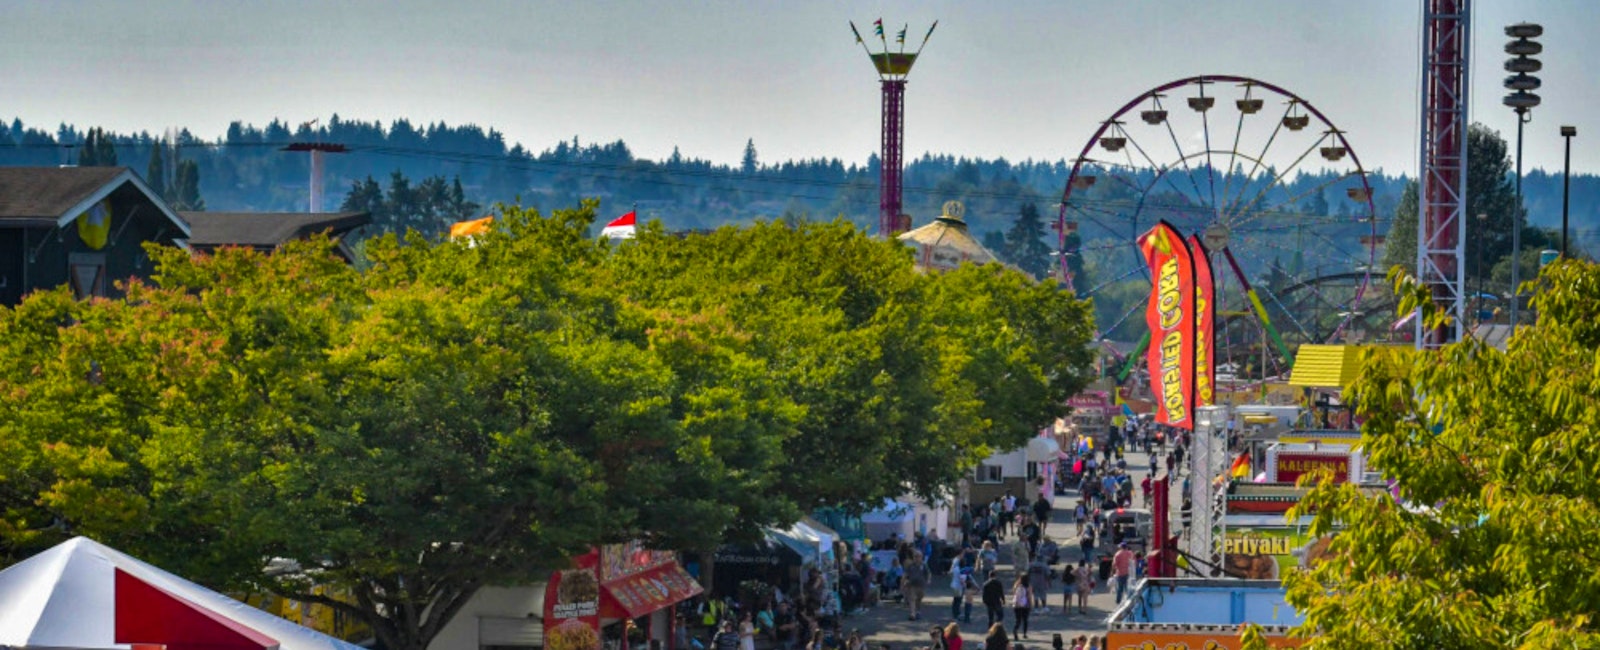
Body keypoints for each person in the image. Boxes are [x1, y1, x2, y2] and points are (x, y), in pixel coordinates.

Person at [901, 551, 929, 620]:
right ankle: (912, 614)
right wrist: (903, 582)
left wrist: (928, 580)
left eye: (918, 556)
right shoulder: (911, 566)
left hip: (921, 585)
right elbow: (905, 574)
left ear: (921, 557)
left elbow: (928, 573)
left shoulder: (924, 565)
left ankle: (918, 611)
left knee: (919, 599)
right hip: (912, 584)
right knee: (912, 599)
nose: (917, 558)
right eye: (915, 556)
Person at [1009, 573, 1033, 640]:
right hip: (1025, 605)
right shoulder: (1028, 586)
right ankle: (1024, 634)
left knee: (1018, 620)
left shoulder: (1017, 585)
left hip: (1017, 605)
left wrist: (1018, 581)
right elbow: (1029, 596)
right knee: (1025, 620)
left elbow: (1014, 593)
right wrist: (1031, 605)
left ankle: (1015, 630)